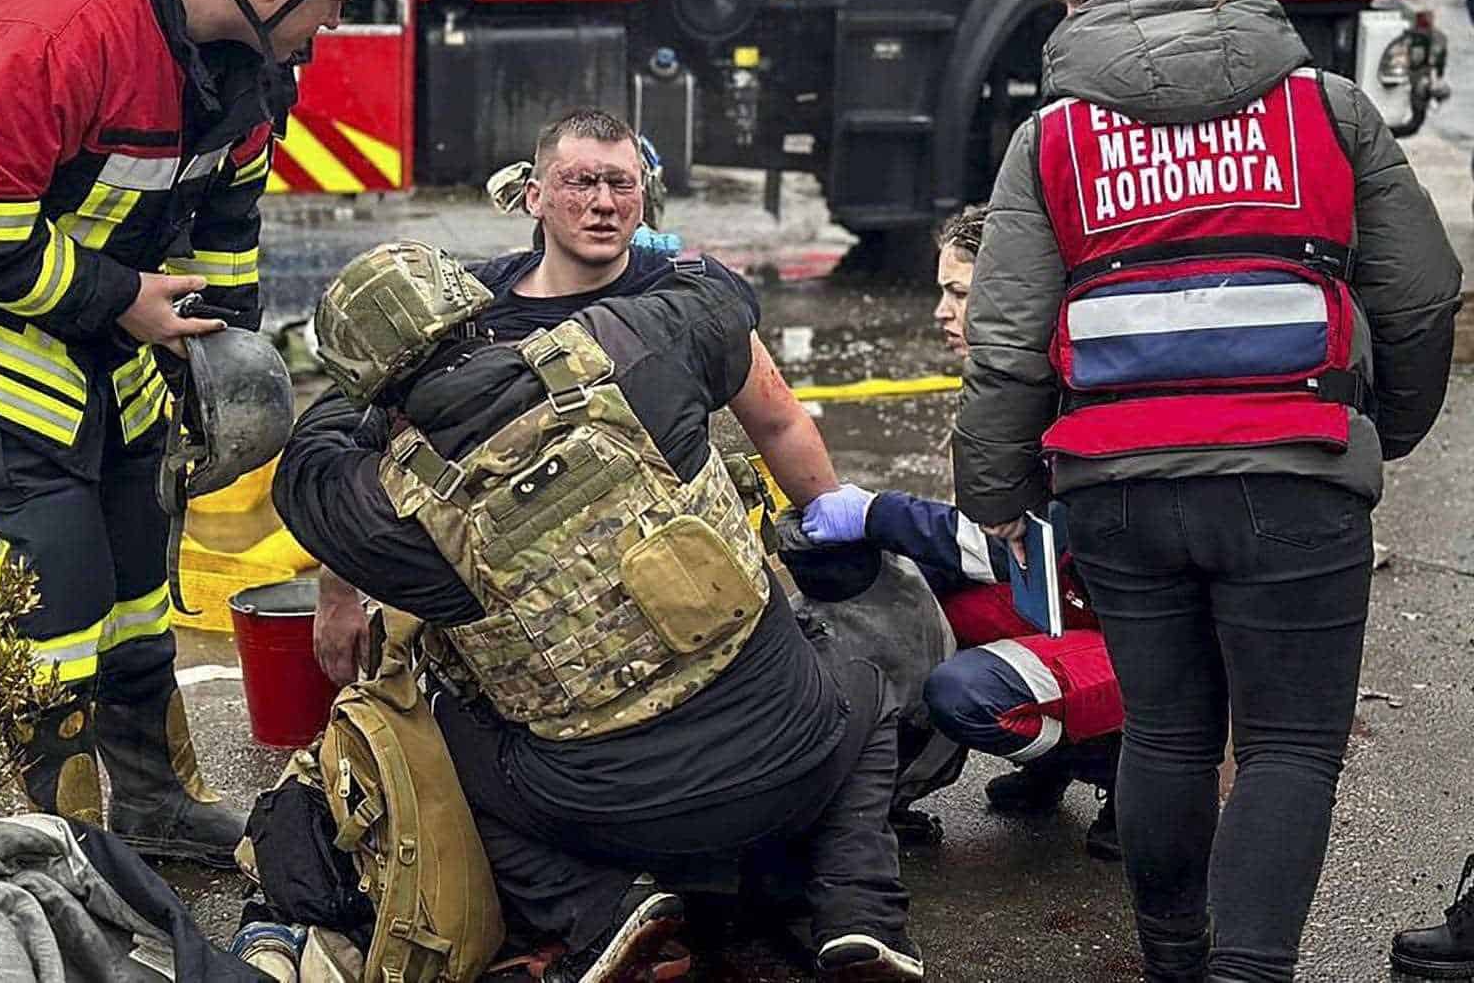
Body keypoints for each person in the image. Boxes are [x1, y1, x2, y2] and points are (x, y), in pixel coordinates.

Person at [952, 0, 1461, 983]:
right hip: (1296, 469)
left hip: (1118, 485)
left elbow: (1005, 340)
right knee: (1287, 746)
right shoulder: (1327, 109)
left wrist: (996, 487)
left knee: (1169, 735)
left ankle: (1176, 964)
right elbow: (1420, 294)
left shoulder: (1055, 136)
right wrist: (1382, 430)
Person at [0, 0, 393, 863]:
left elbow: (229, 216)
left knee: (137, 575)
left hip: (108, 325)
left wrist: (221, 352)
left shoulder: (240, 61)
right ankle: (63, 853)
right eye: (333, 2)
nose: (332, 28)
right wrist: (122, 302)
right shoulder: (65, 21)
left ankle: (151, 805)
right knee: (54, 592)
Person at [278, 240, 921, 983]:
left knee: (430, 742)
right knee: (865, 685)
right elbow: (720, 292)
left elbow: (306, 459)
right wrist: (508, 280)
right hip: (792, 754)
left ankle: (600, 911)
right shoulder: (629, 350)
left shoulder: (385, 507)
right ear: (475, 311)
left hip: (608, 813)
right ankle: (860, 917)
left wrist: (370, 382)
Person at [311, 108, 845, 686]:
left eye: (621, 183)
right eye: (580, 182)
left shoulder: (680, 297)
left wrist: (840, 538)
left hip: (681, 586)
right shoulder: (468, 310)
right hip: (522, 622)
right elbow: (367, 451)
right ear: (535, 198)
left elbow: (778, 424)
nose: (604, 202)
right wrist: (337, 591)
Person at [807, 205, 1125, 860]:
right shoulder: (1012, 382)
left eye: (958, 293)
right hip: (1075, 602)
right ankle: (1057, 761)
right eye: (941, 291)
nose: (940, 312)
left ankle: (1129, 774)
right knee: (916, 596)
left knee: (967, 692)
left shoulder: (1073, 390)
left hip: (1146, 646)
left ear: (1011, 295)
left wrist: (874, 513)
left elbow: (1009, 549)